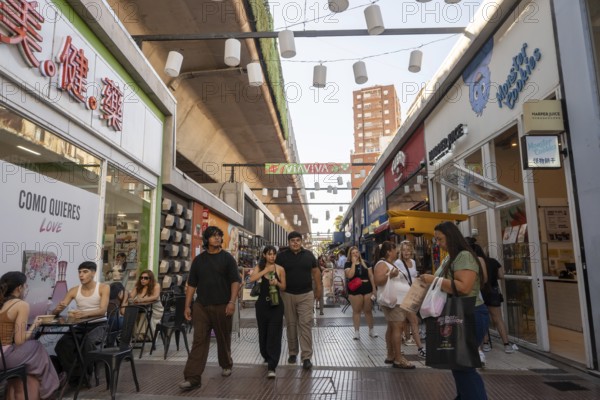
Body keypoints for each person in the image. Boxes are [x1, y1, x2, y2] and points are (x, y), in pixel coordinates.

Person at [421, 222, 489, 400]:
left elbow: (464, 287)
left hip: (470, 314)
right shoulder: (451, 257)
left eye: (440, 239)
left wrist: (433, 280)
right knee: (458, 364)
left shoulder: (464, 256)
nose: (438, 243)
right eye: (436, 239)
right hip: (458, 315)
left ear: (451, 237)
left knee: (463, 366)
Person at [179, 226, 241, 390]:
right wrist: (188, 305)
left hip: (223, 305)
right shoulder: (199, 261)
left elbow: (236, 281)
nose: (218, 238)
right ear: (207, 239)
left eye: (219, 236)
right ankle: (192, 377)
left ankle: (226, 363)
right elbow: (192, 285)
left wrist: (232, 302)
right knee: (198, 340)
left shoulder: (227, 258)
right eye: (214, 236)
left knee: (223, 338)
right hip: (201, 306)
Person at [0, 271, 62, 400]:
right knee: (37, 346)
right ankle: (50, 388)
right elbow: (19, 340)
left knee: (30, 367)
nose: (26, 289)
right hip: (4, 358)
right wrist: (35, 325)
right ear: (19, 288)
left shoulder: (2, 304)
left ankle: (48, 386)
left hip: (3, 355)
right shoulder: (20, 305)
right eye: (26, 286)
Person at [52, 261, 109, 386]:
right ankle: (77, 377)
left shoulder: (103, 288)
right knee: (62, 345)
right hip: (80, 326)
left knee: (86, 344)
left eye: (85, 272)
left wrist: (84, 314)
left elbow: (103, 310)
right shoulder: (74, 290)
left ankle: (85, 376)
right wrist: (57, 308)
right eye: (79, 272)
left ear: (93, 273)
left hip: (99, 325)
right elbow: (56, 311)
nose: (81, 275)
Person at [276, 231, 322, 370]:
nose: (295, 243)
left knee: (305, 324)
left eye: (297, 240)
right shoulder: (281, 257)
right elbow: (274, 272)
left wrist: (319, 288)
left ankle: (306, 357)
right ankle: (292, 352)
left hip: (306, 294)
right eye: (292, 241)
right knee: (291, 325)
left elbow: (316, 272)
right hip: (287, 294)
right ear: (289, 242)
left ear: (301, 242)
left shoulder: (308, 255)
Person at [373, 241, 415, 369]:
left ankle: (391, 354)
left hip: (397, 301)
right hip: (393, 302)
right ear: (388, 252)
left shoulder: (388, 263)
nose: (396, 252)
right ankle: (398, 358)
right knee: (397, 327)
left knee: (392, 327)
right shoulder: (381, 264)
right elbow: (378, 281)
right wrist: (390, 275)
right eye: (394, 250)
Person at [248, 245, 287, 379]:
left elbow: (284, 287)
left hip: (276, 305)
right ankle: (265, 355)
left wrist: (277, 282)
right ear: (264, 255)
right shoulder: (260, 267)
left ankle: (272, 365)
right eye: (269, 254)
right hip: (262, 305)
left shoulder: (280, 269)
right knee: (263, 333)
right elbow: (252, 279)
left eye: (274, 254)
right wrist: (266, 270)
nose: (272, 256)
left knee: (274, 334)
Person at [394, 240, 426, 359]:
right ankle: (419, 348)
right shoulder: (398, 263)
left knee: (405, 322)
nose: (406, 252)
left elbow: (413, 276)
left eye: (408, 250)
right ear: (400, 251)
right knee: (411, 321)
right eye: (404, 250)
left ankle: (401, 348)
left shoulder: (413, 262)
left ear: (412, 251)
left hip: (413, 294)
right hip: (402, 296)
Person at [344, 246, 377, 340]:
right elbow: (350, 275)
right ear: (350, 254)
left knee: (368, 310)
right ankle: (357, 332)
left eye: (356, 252)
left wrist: (374, 289)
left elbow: (371, 276)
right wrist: (354, 263)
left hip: (367, 288)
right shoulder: (348, 264)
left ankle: (371, 330)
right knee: (356, 311)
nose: (355, 254)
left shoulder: (366, 263)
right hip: (355, 289)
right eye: (353, 253)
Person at [130, 270, 163, 338]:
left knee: (144, 313)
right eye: (141, 278)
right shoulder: (138, 286)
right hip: (142, 308)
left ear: (150, 279)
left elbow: (155, 297)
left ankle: (140, 335)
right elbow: (130, 297)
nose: (143, 280)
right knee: (132, 313)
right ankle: (136, 335)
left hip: (155, 309)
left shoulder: (156, 285)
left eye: (145, 278)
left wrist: (141, 300)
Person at [107, 282, 128, 347]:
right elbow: (123, 312)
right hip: (114, 322)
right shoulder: (117, 301)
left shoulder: (108, 299)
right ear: (120, 292)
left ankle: (111, 343)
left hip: (105, 323)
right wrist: (125, 300)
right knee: (128, 321)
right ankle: (125, 344)